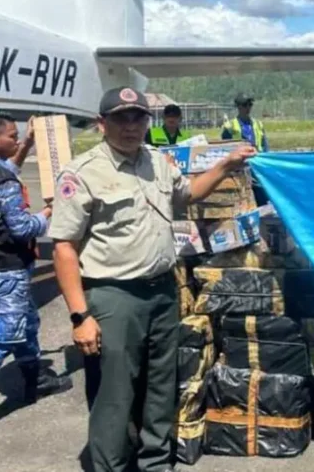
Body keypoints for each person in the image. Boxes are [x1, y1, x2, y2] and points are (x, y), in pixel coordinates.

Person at [48, 87, 256, 472]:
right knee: (115, 392)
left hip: (162, 290)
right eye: (120, 118)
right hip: (113, 296)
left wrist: (226, 165)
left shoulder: (157, 163)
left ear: (148, 122)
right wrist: (80, 316)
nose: (131, 127)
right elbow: (63, 249)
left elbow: (187, 193)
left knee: (160, 387)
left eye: (138, 118)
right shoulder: (82, 173)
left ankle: (155, 463)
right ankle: (110, 465)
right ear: (102, 124)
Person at [0, 111, 72, 402]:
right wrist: (50, 210)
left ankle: (35, 379)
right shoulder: (3, 182)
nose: (15, 141)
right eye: (12, 137)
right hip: (7, 268)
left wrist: (25, 144)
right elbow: (23, 228)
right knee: (2, 339)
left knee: (27, 323)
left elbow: (7, 167)